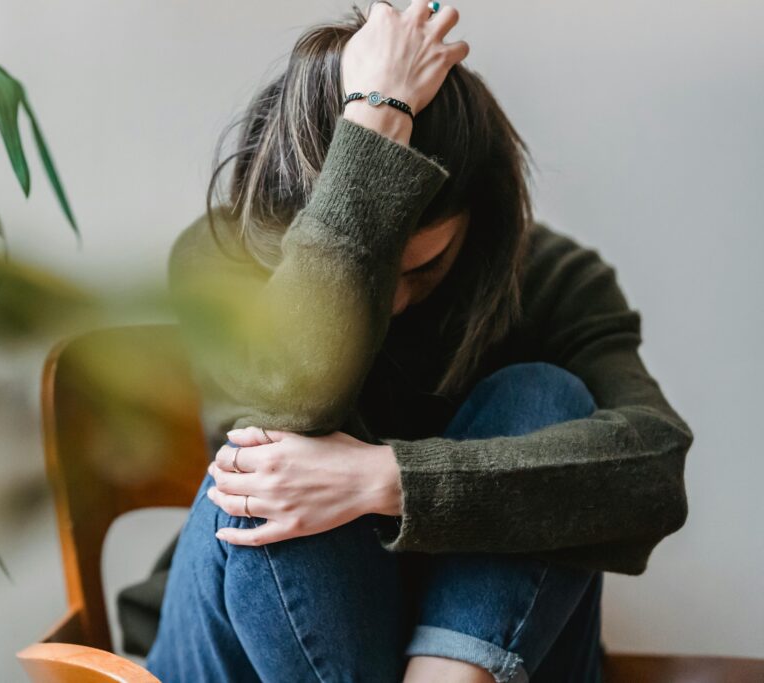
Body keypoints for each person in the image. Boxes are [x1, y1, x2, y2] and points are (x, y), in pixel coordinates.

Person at [118, 2, 693, 681]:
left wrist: (384, 481)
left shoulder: (544, 277)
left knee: (545, 394)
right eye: (370, 264)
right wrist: (377, 119)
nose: (390, 299)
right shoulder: (221, 258)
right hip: (245, 650)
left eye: (421, 268)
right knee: (271, 470)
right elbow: (289, 407)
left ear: (478, 223)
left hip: (469, 660)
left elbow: (652, 468)